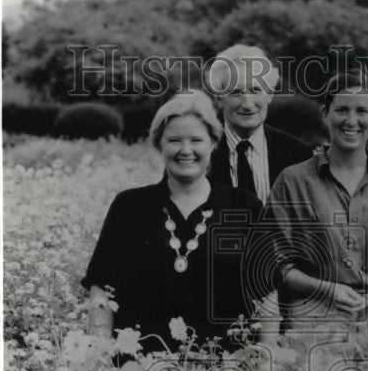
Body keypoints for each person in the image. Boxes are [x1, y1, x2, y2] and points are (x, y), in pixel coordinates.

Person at [82, 90, 262, 354]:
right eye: (175, 140)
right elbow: (101, 291)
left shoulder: (244, 206)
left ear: (213, 143)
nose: (185, 150)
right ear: (160, 144)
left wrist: (267, 367)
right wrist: (99, 364)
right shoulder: (129, 207)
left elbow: (267, 294)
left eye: (196, 140)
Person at [266, 69, 368, 336]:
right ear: (325, 113)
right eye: (342, 109)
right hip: (312, 328)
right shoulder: (292, 182)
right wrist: (327, 289)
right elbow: (276, 265)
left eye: (362, 111)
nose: (351, 120)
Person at [205, 44, 313, 204]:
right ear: (219, 99)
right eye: (235, 92)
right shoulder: (200, 152)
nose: (247, 104)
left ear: (269, 94)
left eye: (255, 90)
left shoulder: (299, 155)